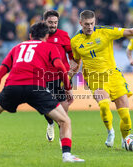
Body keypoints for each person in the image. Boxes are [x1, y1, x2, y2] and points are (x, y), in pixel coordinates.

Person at [0, 22, 84, 162]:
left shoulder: (17, 47)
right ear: (47, 36)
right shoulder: (50, 47)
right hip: (36, 87)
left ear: (30, 35)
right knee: (64, 120)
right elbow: (60, 67)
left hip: (13, 87)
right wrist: (68, 89)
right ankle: (66, 155)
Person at [70, 10, 133, 148]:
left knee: (125, 115)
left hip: (113, 75)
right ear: (80, 23)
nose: (89, 27)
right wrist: (69, 75)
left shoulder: (105, 31)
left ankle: (125, 139)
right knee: (103, 104)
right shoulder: (75, 41)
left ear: (95, 21)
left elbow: (130, 32)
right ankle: (110, 131)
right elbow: (76, 61)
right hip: (94, 77)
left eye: (92, 23)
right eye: (86, 24)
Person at [42, 10, 75, 142]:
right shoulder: (39, 36)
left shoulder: (64, 35)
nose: (53, 25)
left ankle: (64, 138)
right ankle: (50, 123)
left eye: (55, 22)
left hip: (62, 76)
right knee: (46, 107)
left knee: (64, 106)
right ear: (44, 21)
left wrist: (73, 67)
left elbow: (71, 55)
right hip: (45, 76)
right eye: (50, 22)